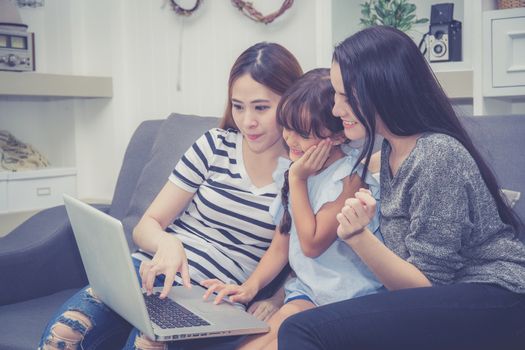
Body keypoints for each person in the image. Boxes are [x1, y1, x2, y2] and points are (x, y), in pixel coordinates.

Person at [38, 42, 303, 350]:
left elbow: (306, 254)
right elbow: (146, 225)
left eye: (261, 107)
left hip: (210, 297)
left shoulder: (300, 171)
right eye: (238, 106)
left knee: (147, 345)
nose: (247, 122)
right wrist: (167, 242)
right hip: (146, 274)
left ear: (290, 102)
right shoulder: (214, 145)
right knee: (65, 332)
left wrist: (276, 297)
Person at [277, 26, 525, 350]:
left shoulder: (437, 155)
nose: (336, 110)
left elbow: (427, 286)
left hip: (494, 294)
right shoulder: (391, 153)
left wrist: (357, 236)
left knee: (301, 330)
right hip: (446, 297)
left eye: (345, 97)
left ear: (383, 91)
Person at [201, 68, 384, 350]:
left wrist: (297, 179)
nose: (289, 139)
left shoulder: (349, 179)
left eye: (301, 133)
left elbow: (311, 244)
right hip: (308, 292)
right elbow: (281, 243)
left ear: (336, 136)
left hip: (347, 298)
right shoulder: (294, 170)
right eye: (286, 127)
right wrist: (249, 287)